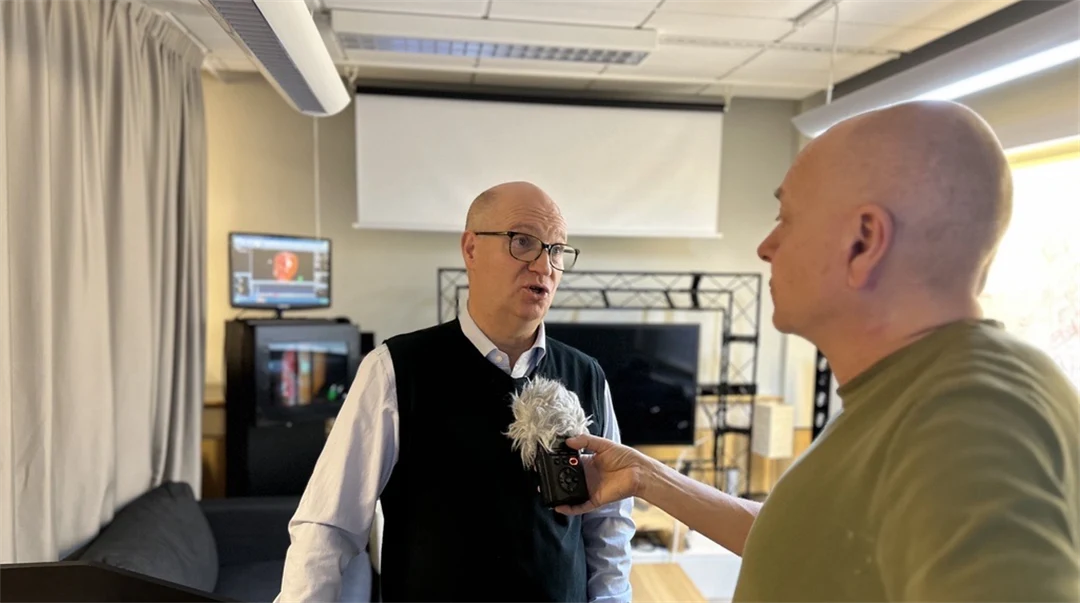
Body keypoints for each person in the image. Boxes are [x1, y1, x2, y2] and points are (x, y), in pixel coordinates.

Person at [557, 100, 1080, 602]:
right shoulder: (915, 394)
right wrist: (647, 477)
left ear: (863, 242)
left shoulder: (970, 418)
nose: (766, 246)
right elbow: (814, 544)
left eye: (786, 217)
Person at [277, 182, 635, 603]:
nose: (544, 266)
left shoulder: (586, 375)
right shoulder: (396, 370)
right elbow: (327, 527)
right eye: (523, 242)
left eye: (557, 250)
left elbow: (608, 527)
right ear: (470, 249)